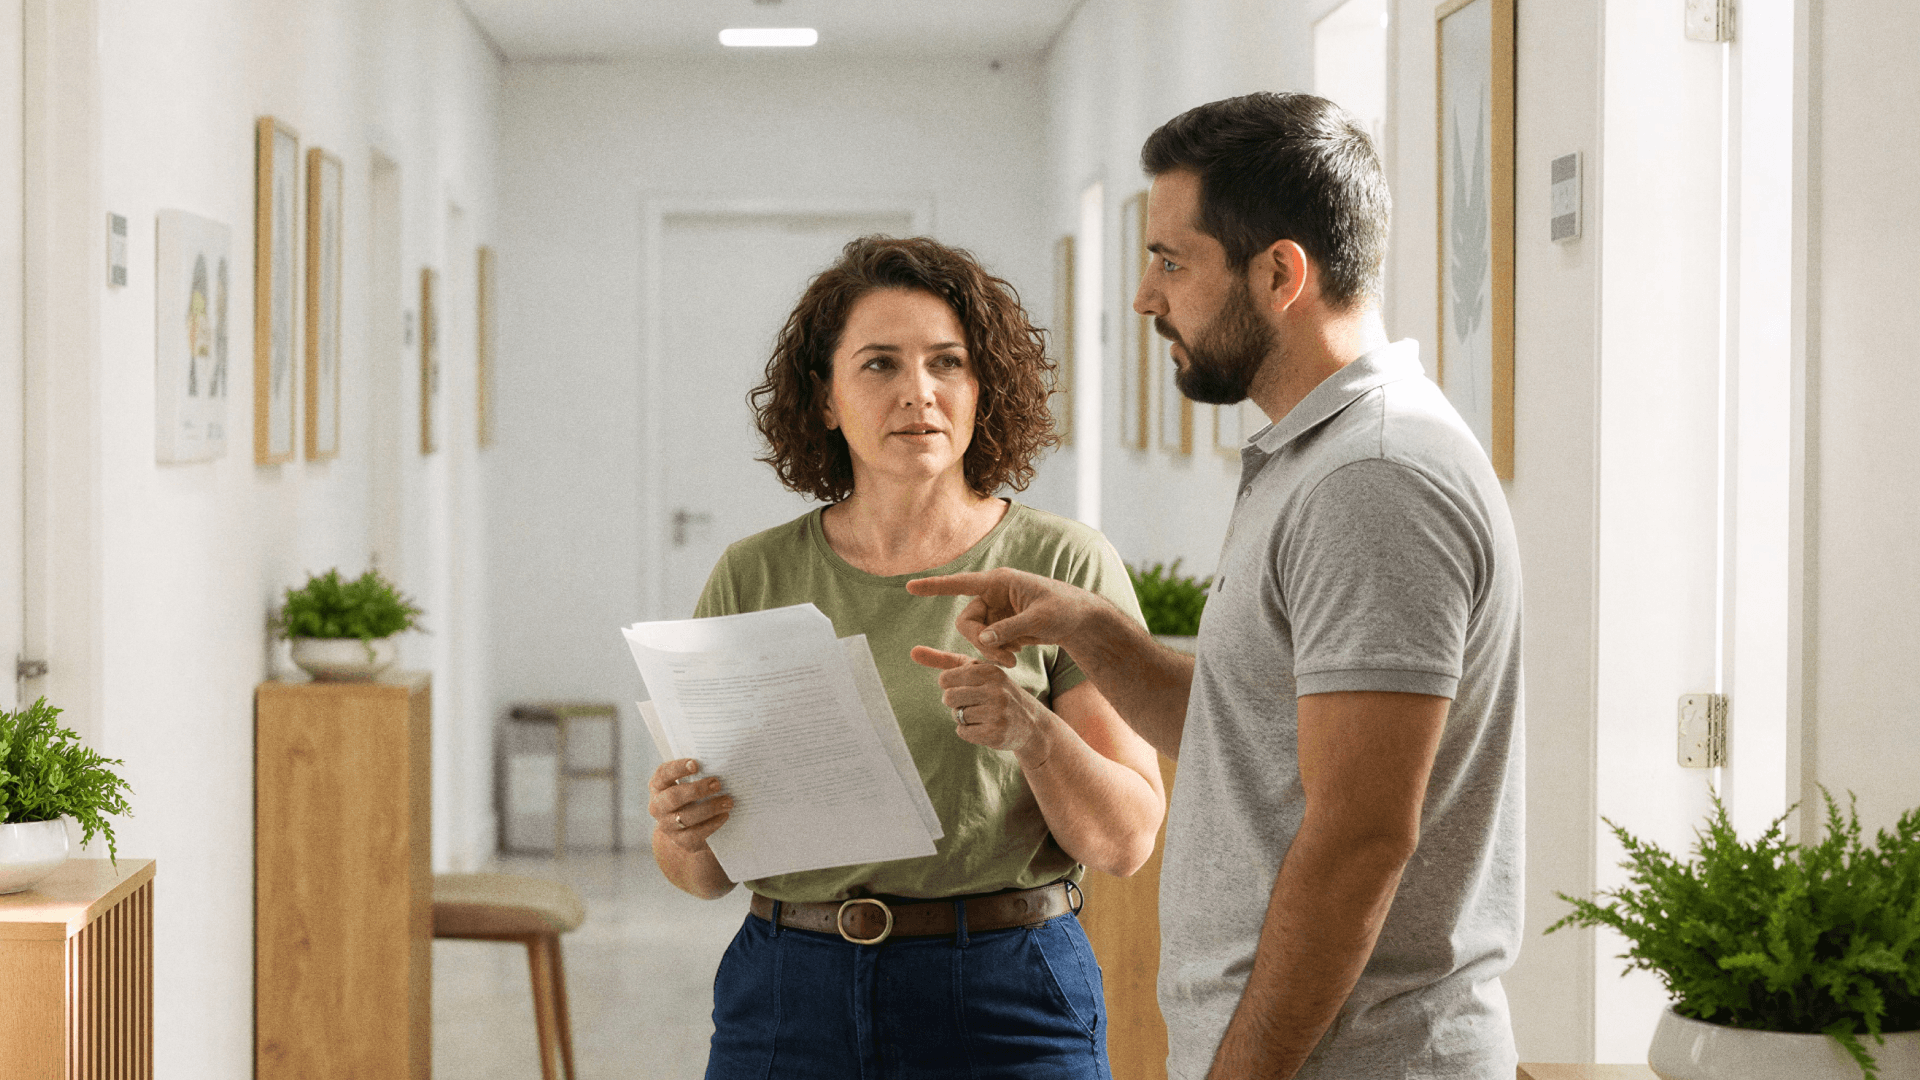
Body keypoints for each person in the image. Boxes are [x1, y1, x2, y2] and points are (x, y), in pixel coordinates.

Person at [908, 92, 1525, 1080]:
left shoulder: (1374, 478)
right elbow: (1263, 743)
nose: (1146, 298)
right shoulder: (1313, 459)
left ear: (1281, 272)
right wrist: (1100, 638)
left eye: (1170, 260)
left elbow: (1358, 838)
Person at [646, 234, 1167, 1080]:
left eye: (948, 363)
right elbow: (700, 874)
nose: (918, 393)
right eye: (880, 364)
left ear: (981, 385)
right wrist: (681, 825)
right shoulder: (754, 573)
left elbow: (1126, 841)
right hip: (787, 992)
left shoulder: (1066, 565)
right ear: (824, 399)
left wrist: (1030, 732)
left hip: (1005, 991)